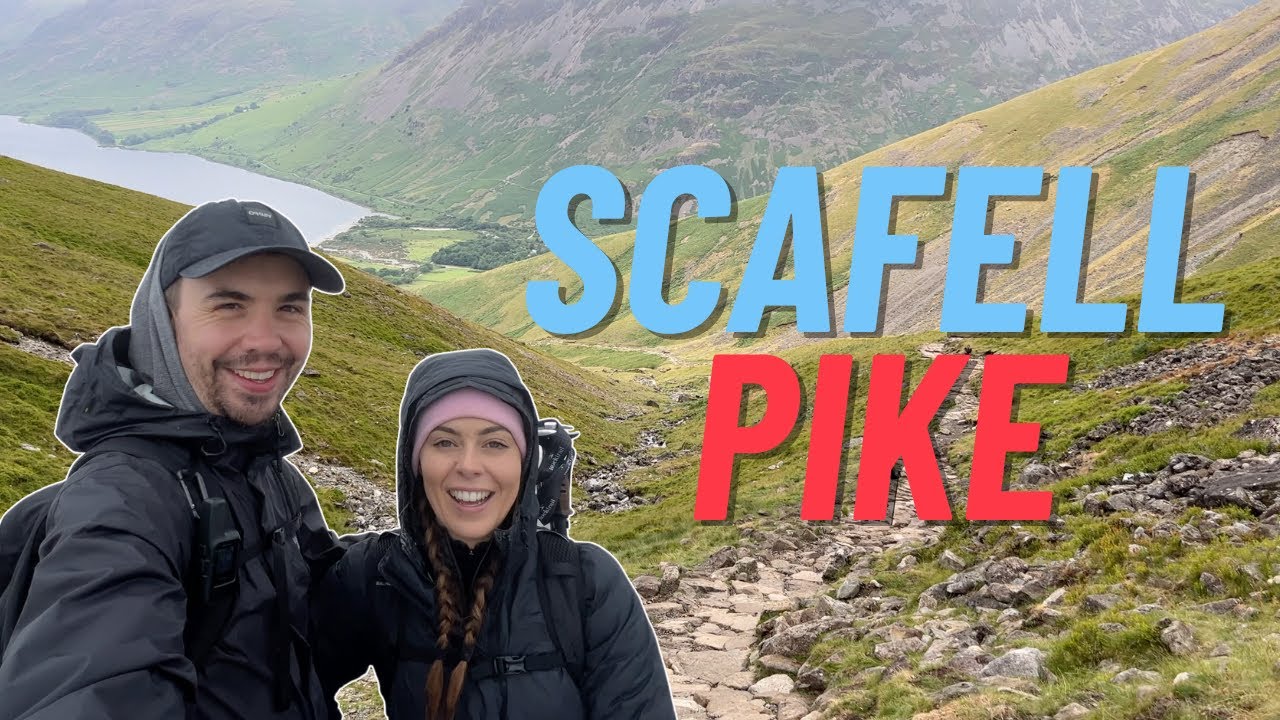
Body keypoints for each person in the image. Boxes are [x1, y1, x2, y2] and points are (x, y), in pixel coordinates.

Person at [0, 199, 347, 719]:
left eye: (290, 308)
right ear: (163, 321)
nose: (266, 340)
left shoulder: (266, 470)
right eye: (229, 305)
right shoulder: (121, 503)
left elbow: (323, 600)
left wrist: (430, 554)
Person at [312, 348, 677, 719]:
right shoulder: (378, 575)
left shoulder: (586, 582)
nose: (469, 466)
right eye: (444, 442)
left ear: (523, 464)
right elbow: (289, 685)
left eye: (495, 444)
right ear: (415, 462)